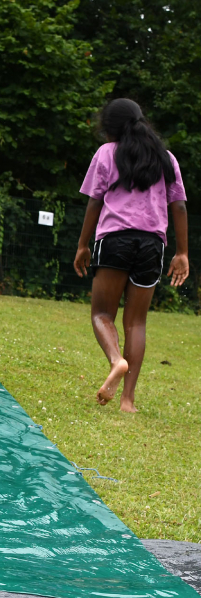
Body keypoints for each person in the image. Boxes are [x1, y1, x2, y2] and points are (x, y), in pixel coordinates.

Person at [74, 98, 189, 412]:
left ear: (111, 128)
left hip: (115, 240)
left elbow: (94, 202)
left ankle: (116, 360)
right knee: (136, 324)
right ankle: (127, 401)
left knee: (101, 314)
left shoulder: (107, 154)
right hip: (152, 245)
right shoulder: (166, 159)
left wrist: (83, 245)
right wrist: (182, 252)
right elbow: (178, 206)